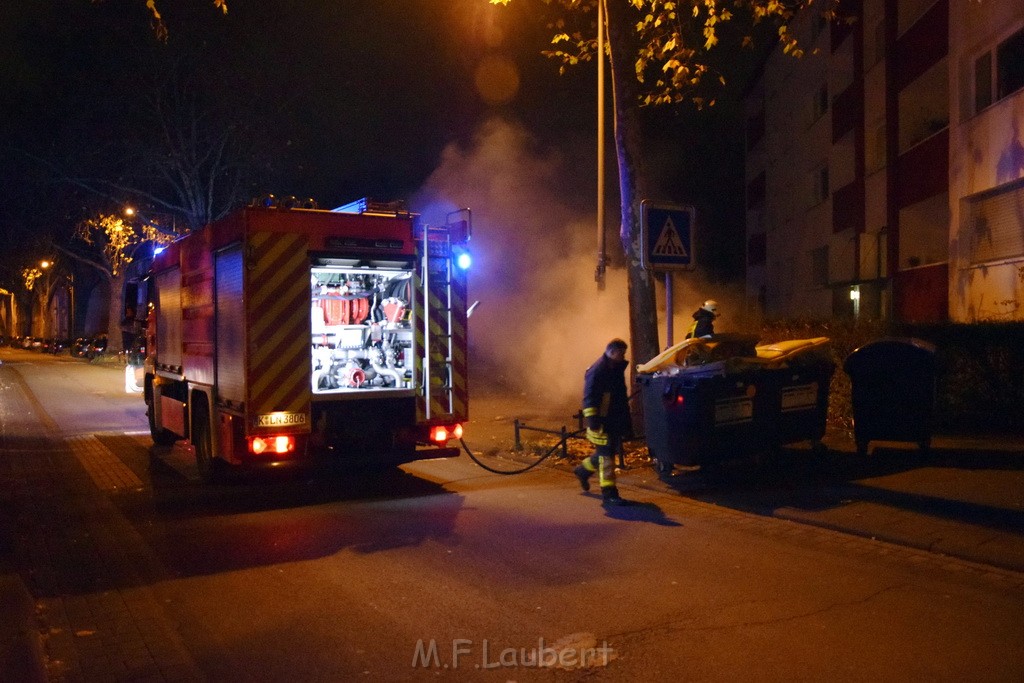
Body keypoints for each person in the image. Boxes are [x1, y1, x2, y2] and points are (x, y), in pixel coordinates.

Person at [574, 338, 631, 505]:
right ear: (612, 352)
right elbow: (589, 397)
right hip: (601, 421)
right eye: (621, 353)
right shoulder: (598, 370)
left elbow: (618, 397)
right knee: (606, 458)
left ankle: (582, 471)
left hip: (612, 419)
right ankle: (609, 494)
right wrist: (593, 421)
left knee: (604, 454)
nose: (623, 356)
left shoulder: (614, 368)